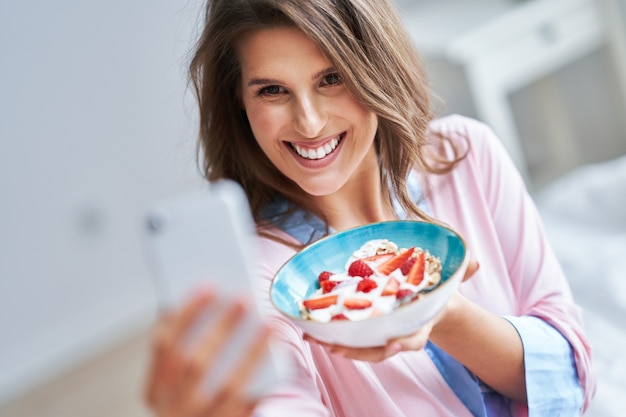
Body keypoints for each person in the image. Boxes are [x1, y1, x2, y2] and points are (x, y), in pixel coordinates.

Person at [143, 0, 596, 415]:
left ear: (375, 68)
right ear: (238, 102)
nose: (310, 122)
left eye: (332, 78)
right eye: (272, 91)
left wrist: (443, 312)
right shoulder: (265, 278)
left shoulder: (466, 155)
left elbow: (569, 376)